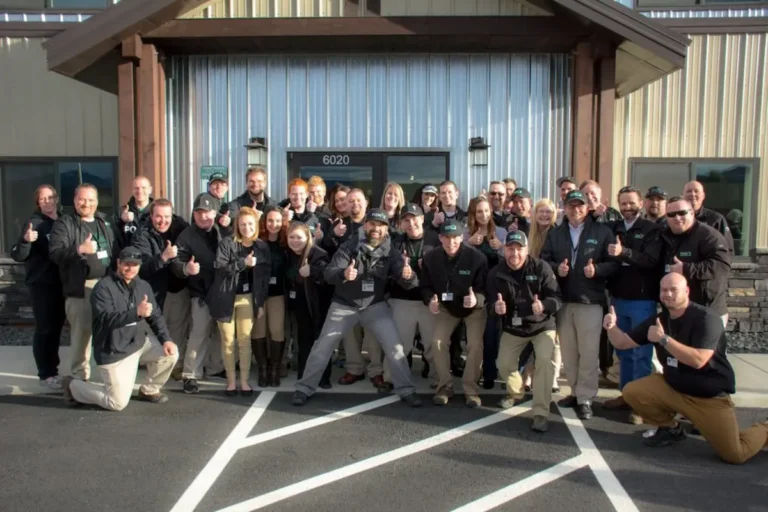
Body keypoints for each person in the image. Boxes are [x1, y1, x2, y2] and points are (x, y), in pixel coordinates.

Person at [604, 272, 768, 464]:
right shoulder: (660, 319)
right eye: (664, 290)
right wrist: (611, 327)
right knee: (632, 391)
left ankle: (765, 429)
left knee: (735, 454)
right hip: (674, 388)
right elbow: (623, 343)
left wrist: (664, 340)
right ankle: (670, 428)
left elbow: (698, 360)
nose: (668, 294)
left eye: (674, 290)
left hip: (708, 397)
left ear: (687, 291)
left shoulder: (707, 319)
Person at [293, 209, 421, 407]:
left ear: (386, 229)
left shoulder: (391, 251)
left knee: (395, 347)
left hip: (375, 305)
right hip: (344, 304)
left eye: (380, 225)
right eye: (372, 224)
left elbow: (408, 283)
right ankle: (304, 388)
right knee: (323, 346)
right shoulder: (349, 246)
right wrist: (344, 273)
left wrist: (408, 276)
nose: (376, 229)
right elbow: (329, 274)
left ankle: (406, 389)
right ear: (365, 225)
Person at [62, 246, 178, 411]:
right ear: (118, 263)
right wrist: (136, 313)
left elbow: (155, 316)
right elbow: (107, 319)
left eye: (135, 265)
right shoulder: (103, 288)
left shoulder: (143, 286)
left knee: (171, 354)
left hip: (137, 343)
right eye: (126, 264)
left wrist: (166, 339)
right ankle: (73, 386)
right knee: (117, 403)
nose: (130, 268)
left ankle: (149, 390)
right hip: (113, 350)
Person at [541, 190, 619, 420]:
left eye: (580, 205)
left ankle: (586, 397)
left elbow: (613, 264)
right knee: (569, 352)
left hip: (590, 300)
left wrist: (598, 270)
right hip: (563, 300)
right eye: (571, 205)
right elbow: (545, 260)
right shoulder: (556, 234)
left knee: (588, 352)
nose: (575, 210)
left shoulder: (602, 232)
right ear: (564, 207)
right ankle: (574, 392)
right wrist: (557, 269)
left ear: (587, 208)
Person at [487, 231, 562, 432]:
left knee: (545, 361)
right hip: (514, 326)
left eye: (519, 249)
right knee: (503, 364)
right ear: (504, 250)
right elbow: (489, 303)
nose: (515, 254)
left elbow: (557, 298)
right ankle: (516, 392)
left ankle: (540, 412)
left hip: (542, 326)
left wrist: (544, 305)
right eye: (510, 249)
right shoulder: (495, 273)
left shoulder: (541, 267)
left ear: (527, 250)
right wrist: (496, 308)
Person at [604, 186, 663, 424]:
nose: (627, 207)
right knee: (623, 352)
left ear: (641, 203)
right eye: (623, 203)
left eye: (631, 203)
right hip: (618, 299)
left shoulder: (652, 230)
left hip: (642, 301)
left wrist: (623, 252)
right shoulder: (614, 227)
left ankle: (641, 404)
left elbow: (650, 261)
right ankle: (627, 395)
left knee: (641, 354)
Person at [49, 183, 119, 382]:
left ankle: (110, 379)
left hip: (107, 286)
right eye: (82, 199)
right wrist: (79, 249)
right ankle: (79, 381)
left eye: (91, 200)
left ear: (97, 202)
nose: (86, 203)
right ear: (74, 200)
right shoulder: (65, 224)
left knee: (109, 333)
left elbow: (117, 251)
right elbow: (55, 253)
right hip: (81, 289)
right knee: (82, 337)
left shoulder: (105, 222)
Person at [422, 218, 488, 407]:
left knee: (475, 345)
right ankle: (445, 386)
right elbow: (425, 286)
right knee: (437, 342)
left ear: (462, 237)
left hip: (473, 309)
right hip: (447, 308)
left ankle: (470, 389)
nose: (451, 242)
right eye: (447, 237)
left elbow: (485, 289)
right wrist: (430, 300)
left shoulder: (477, 258)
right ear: (440, 237)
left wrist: (476, 299)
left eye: (455, 238)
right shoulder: (431, 258)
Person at [210, 207, 270, 395]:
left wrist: (259, 304)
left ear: (256, 225)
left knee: (244, 340)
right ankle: (230, 382)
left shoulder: (262, 247)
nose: (246, 227)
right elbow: (220, 269)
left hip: (248, 298)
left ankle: (244, 381)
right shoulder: (227, 243)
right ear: (237, 225)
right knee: (228, 340)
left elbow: (263, 280)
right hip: (226, 297)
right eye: (242, 224)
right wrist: (243, 263)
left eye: (250, 224)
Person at [381, 203, 441, 392]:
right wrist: (401, 272)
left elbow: (445, 268)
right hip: (403, 300)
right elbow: (389, 267)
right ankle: (390, 378)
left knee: (433, 345)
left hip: (429, 301)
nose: (411, 223)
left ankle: (438, 378)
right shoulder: (396, 241)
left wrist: (429, 269)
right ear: (401, 223)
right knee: (400, 345)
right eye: (406, 220)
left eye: (414, 218)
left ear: (423, 219)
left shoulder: (435, 238)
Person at [11, 184, 65, 389]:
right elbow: (18, 254)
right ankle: (47, 374)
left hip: (62, 284)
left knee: (57, 328)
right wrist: (26, 241)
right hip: (42, 286)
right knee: (45, 329)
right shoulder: (33, 223)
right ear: (37, 202)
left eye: (50, 197)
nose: (47, 201)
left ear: (57, 199)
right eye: (43, 199)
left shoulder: (64, 220)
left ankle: (54, 369)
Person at [171, 193, 226, 394]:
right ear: (193, 214)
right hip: (201, 293)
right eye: (199, 212)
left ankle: (216, 368)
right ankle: (190, 375)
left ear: (215, 212)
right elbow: (176, 263)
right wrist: (186, 269)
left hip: (224, 293)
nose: (204, 216)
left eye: (208, 212)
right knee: (199, 334)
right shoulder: (186, 235)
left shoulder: (224, 229)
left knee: (223, 335)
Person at [131, 199, 190, 381]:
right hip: (153, 289)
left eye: (166, 216)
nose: (162, 221)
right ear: (151, 216)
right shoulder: (142, 235)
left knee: (177, 327)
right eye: (158, 216)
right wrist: (163, 257)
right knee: (153, 330)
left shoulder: (181, 227)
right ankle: (153, 369)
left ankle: (176, 365)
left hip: (177, 285)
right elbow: (142, 268)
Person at [658, 197, 731, 327]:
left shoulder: (708, 235)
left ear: (692, 213)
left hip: (707, 309)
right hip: (674, 309)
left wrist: (686, 269)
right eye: (671, 214)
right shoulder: (663, 236)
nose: (677, 217)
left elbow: (722, 266)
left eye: (682, 213)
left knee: (706, 347)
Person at [463, 196, 505, 389]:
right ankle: (480, 372)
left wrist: (501, 249)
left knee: (494, 334)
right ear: (473, 213)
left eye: (487, 211)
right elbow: (455, 257)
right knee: (480, 336)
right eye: (479, 211)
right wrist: (469, 243)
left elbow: (514, 259)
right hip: (474, 290)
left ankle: (494, 372)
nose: (484, 215)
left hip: (497, 291)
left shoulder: (501, 233)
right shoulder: (465, 234)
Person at [285, 222, 333, 388]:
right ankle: (304, 377)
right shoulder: (289, 254)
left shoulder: (318, 254)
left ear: (308, 238)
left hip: (317, 306)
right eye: (291, 237)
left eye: (299, 237)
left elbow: (327, 275)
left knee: (320, 343)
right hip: (300, 305)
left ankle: (323, 378)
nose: (295, 241)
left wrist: (312, 271)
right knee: (303, 342)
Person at [524, 198, 562, 393]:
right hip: (531, 290)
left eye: (549, 211)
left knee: (552, 338)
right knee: (532, 334)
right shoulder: (528, 235)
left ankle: (553, 378)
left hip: (552, 290)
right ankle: (529, 374)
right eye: (541, 212)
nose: (545, 215)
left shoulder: (558, 235)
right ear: (535, 214)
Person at [254, 207, 288, 387]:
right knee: (258, 331)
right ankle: (262, 368)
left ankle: (274, 368)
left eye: (277, 221)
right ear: (264, 222)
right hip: (260, 294)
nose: (273, 224)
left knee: (277, 330)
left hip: (277, 295)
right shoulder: (257, 242)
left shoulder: (286, 243)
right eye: (270, 221)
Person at [683, 180, 735, 254]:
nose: (692, 194)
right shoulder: (675, 218)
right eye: (689, 191)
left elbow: (728, 249)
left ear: (703, 196)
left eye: (696, 191)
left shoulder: (716, 219)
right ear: (683, 195)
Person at [115, 176, 153, 247]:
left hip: (150, 256)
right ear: (132, 190)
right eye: (136, 188)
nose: (140, 191)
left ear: (150, 190)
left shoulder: (157, 212)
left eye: (143, 188)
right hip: (128, 256)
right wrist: (121, 221)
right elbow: (112, 236)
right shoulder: (122, 211)